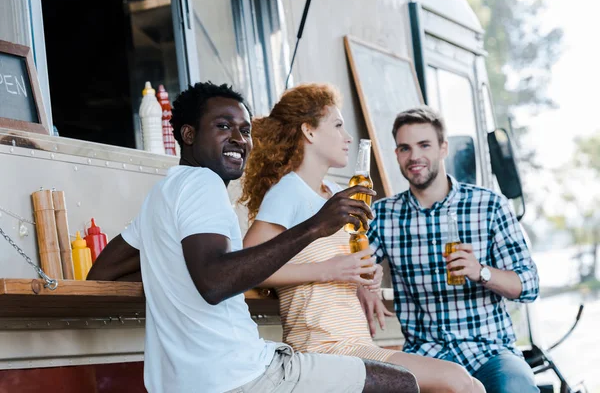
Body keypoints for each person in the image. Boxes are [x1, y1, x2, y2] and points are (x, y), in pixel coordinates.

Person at [86, 81, 419, 393]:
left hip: (181, 384)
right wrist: (316, 225)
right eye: (223, 126)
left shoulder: (162, 194)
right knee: (400, 384)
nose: (239, 138)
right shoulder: (204, 184)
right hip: (238, 374)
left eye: (245, 130)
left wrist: (172, 272)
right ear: (188, 134)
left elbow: (102, 273)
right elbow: (215, 281)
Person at [241, 83, 485, 393]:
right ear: (309, 132)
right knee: (457, 382)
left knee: (469, 383)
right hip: (322, 348)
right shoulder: (288, 191)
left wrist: (364, 279)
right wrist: (329, 270)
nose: (347, 137)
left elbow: (343, 263)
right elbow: (246, 268)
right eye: (338, 125)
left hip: (355, 343)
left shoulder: (330, 192)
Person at [366, 106, 540, 393]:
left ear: (443, 148)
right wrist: (363, 282)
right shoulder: (384, 215)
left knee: (516, 387)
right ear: (396, 155)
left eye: (424, 145)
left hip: (490, 351)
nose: (414, 157)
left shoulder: (489, 205)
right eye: (405, 148)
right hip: (425, 355)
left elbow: (529, 286)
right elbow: (355, 265)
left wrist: (481, 271)